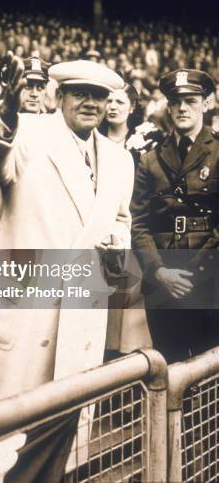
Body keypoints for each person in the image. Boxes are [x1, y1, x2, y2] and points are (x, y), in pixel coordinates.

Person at [0, 54, 134, 412]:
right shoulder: (25, 132)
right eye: (79, 93)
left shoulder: (119, 158)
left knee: (63, 432)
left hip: (81, 308)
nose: (89, 103)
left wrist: (118, 242)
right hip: (21, 305)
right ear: (60, 97)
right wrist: (5, 110)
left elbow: (119, 218)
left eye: (97, 95)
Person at [131, 68, 219, 363]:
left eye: (191, 100)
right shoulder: (150, 159)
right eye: (176, 101)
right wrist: (158, 271)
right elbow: (140, 223)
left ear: (206, 104)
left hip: (211, 280)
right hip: (163, 283)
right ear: (168, 106)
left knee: (212, 374)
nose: (183, 108)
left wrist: (194, 271)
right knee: (169, 368)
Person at [100, 84, 152, 356]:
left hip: (132, 228)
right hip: (103, 232)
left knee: (130, 310)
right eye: (108, 100)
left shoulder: (143, 143)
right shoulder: (93, 139)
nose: (112, 106)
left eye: (120, 101)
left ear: (132, 107)